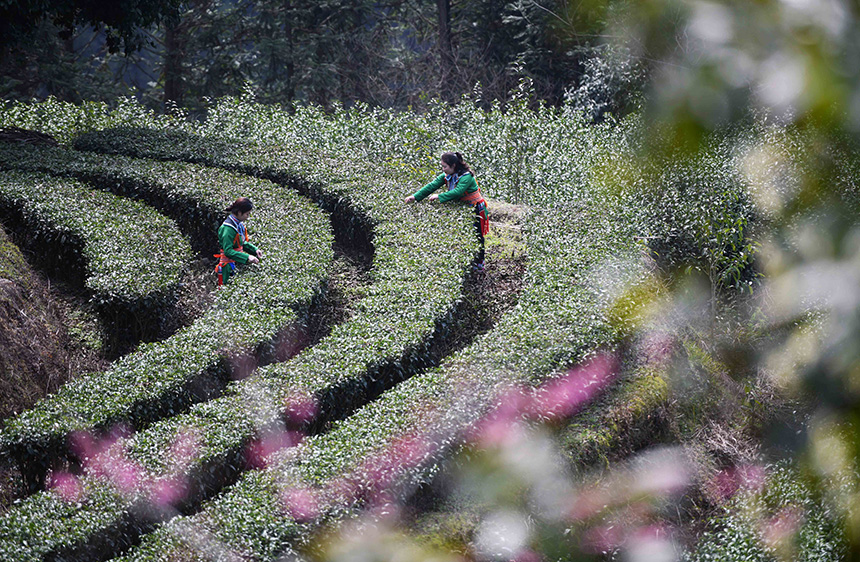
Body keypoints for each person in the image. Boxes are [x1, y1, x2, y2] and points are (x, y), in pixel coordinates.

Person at [404, 152, 489, 270]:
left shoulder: (466, 176)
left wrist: (439, 196)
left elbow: (458, 191)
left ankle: (480, 262)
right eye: (442, 166)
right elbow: (432, 185)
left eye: (445, 166)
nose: (443, 169)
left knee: (477, 235)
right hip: (462, 206)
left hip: (475, 207)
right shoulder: (447, 175)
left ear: (453, 165)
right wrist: (415, 196)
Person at [215, 197, 263, 286]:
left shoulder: (237, 224)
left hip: (235, 263)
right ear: (239, 213)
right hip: (227, 266)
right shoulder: (228, 229)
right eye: (247, 214)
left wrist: (255, 250)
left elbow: (241, 243)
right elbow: (228, 251)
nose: (248, 217)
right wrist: (248, 257)